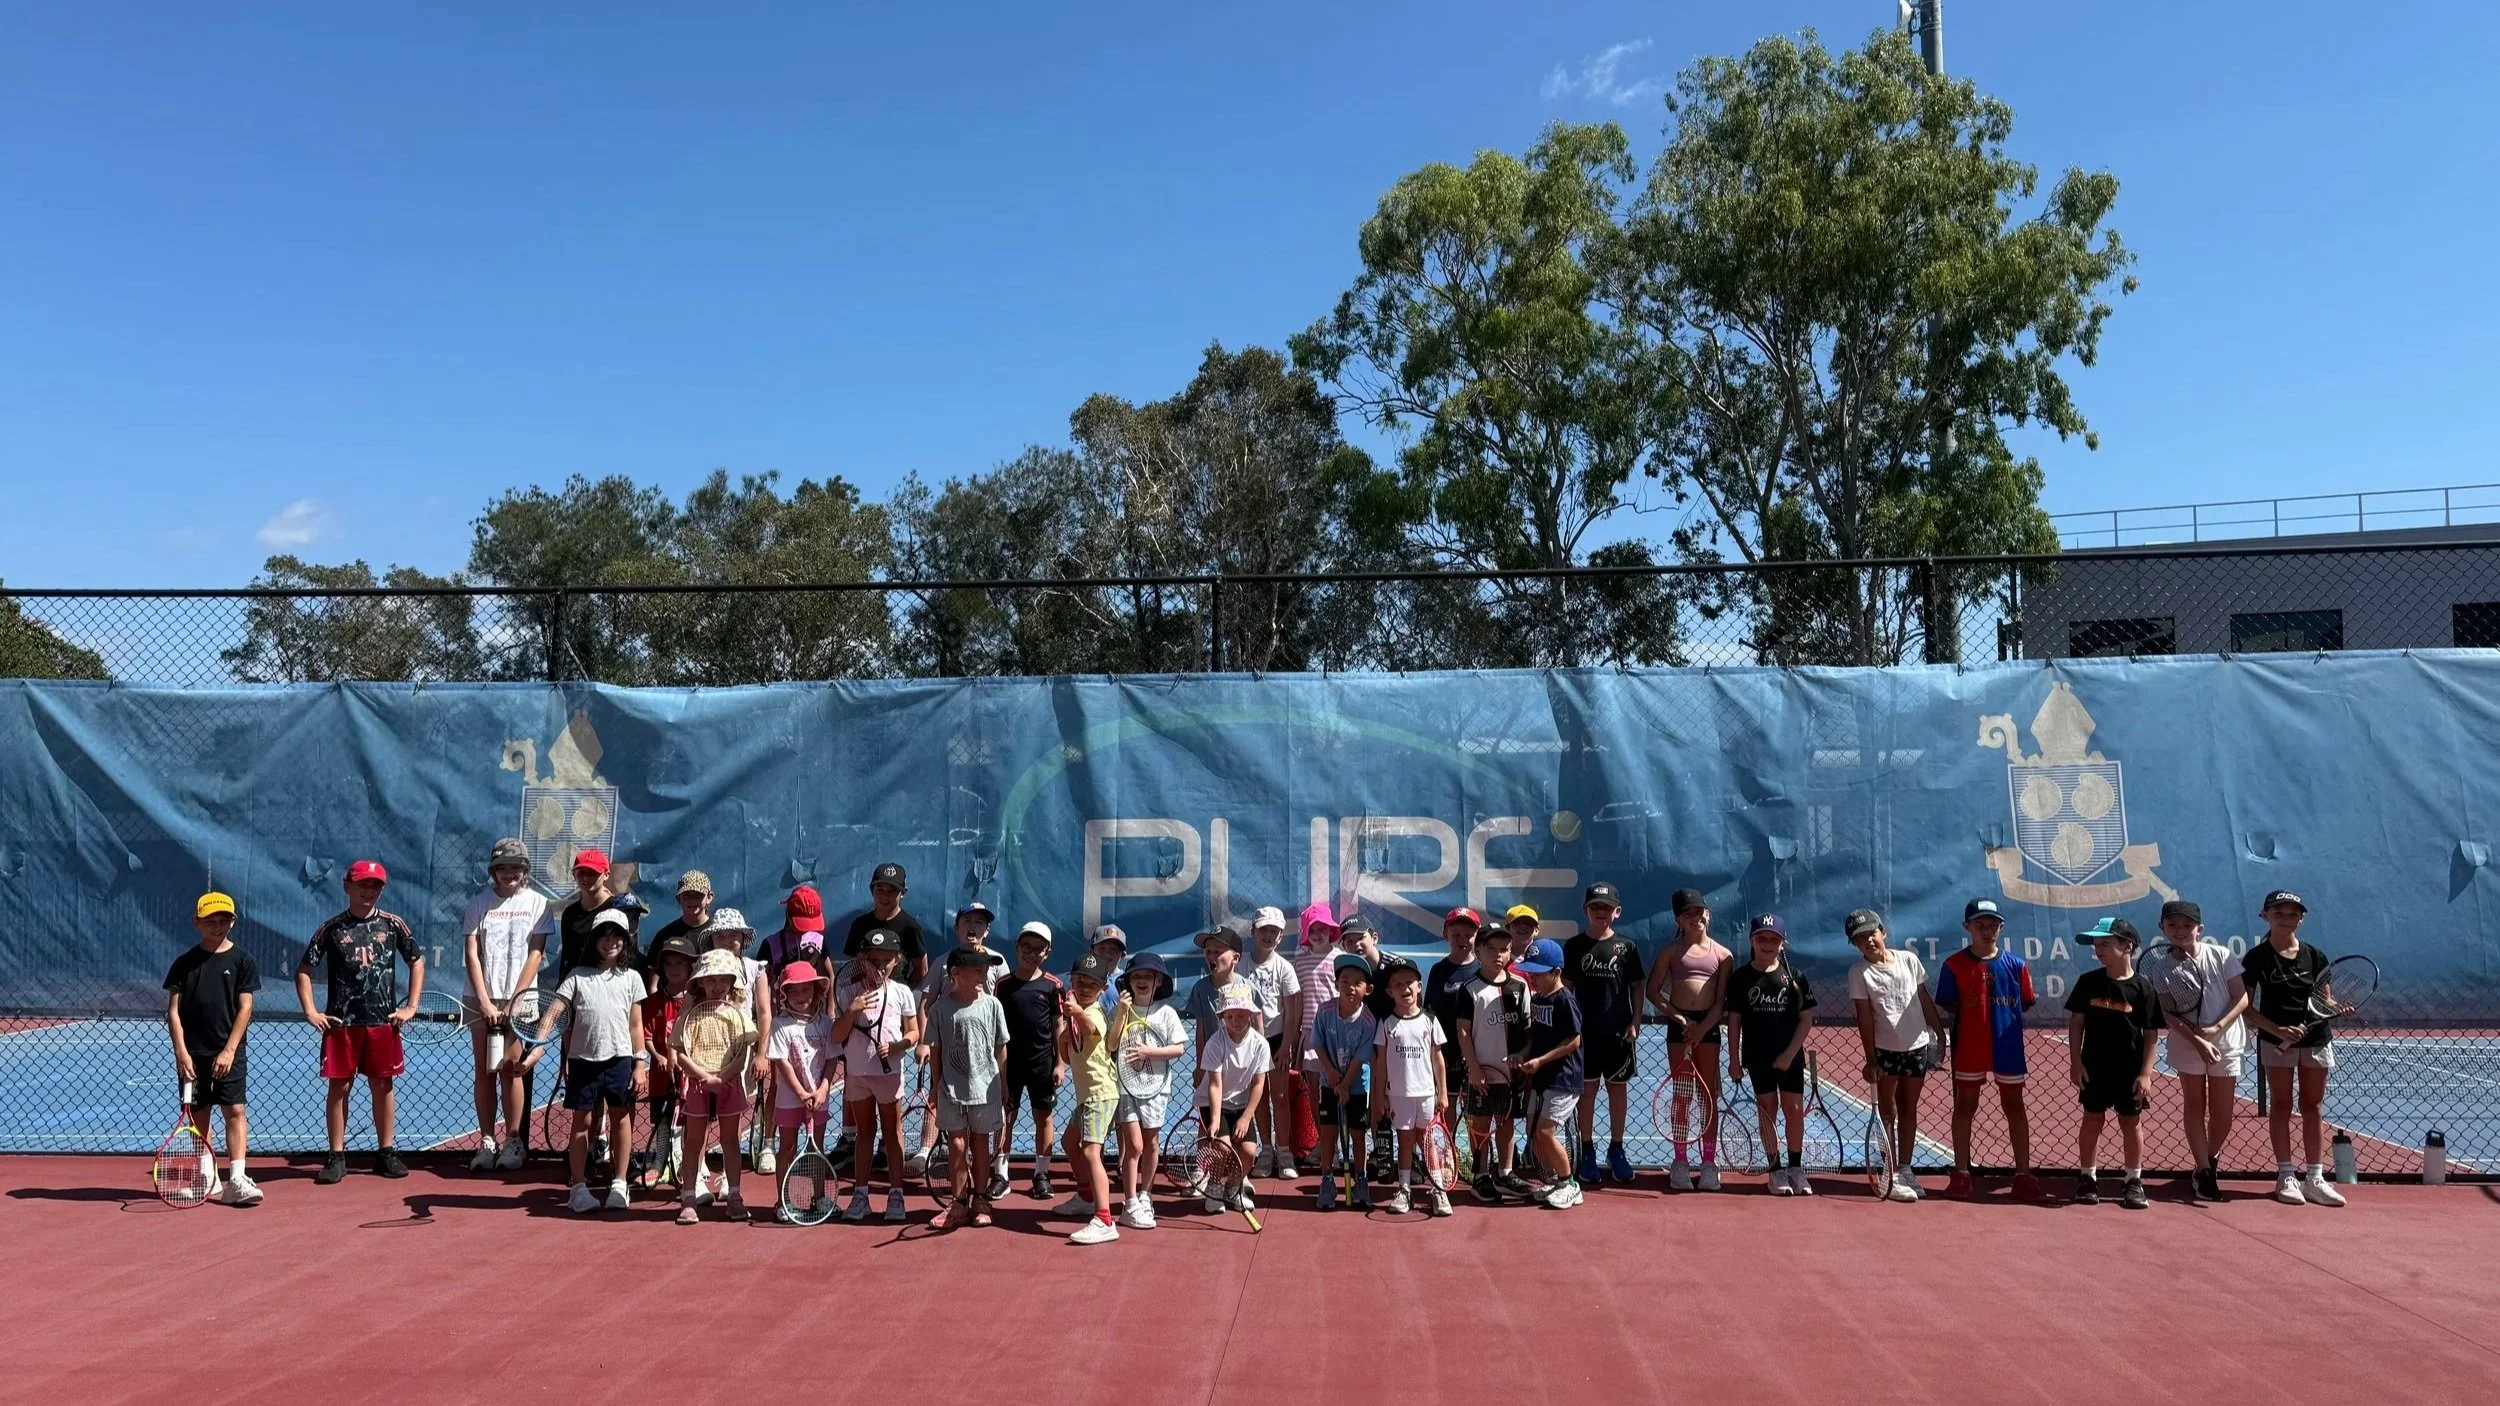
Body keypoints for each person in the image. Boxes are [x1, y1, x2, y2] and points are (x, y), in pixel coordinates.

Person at [295, 860, 424, 1185]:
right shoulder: (332, 928)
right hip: (341, 1024)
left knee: (383, 1085)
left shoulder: (394, 925)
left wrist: (410, 1006)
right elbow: (304, 971)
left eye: (375, 885)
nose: (369, 891)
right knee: (340, 1086)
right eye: (362, 884)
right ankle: (337, 1156)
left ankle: (386, 1152)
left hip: (383, 1021)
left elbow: (417, 962)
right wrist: (311, 1012)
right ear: (346, 887)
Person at [2242, 890, 2346, 1207]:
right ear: (2265, 916)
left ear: (2301, 918)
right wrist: (2275, 1029)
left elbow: (2324, 999)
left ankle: (2315, 1178)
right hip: (2276, 1042)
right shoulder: (2257, 958)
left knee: (2313, 1106)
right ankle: (2286, 1175)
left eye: (2292, 914)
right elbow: (2245, 1006)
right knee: (2282, 1105)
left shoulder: (2315, 956)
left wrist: (2337, 1007)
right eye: (2279, 913)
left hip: (2315, 1040)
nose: (2286, 919)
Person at [1936, 898, 2044, 1201]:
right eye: (1980, 925)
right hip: (1969, 1046)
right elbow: (1947, 1001)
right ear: (1967, 927)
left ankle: (2023, 1174)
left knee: (2014, 1106)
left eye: (1992, 925)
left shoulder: (2016, 965)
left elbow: (2026, 1001)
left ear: (2001, 927)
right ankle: (1961, 1174)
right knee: (1965, 1106)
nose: (1987, 931)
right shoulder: (1953, 965)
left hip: (2007, 1046)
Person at [163, 890, 260, 1205]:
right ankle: (207, 1177)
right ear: (197, 923)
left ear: (232, 922)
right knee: (199, 1115)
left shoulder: (242, 960)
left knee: (235, 1110)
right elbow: (173, 1011)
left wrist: (230, 1050)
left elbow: (245, 1008)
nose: (218, 927)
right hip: (193, 1054)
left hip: (229, 1052)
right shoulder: (185, 963)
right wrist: (181, 1052)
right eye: (211, 921)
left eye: (224, 920)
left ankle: (238, 1179)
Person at [2148, 898, 2248, 1201]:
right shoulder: (2160, 968)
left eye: (2187, 925)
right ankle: (2205, 1172)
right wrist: (2198, 1041)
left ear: (2199, 929)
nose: (2180, 930)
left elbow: (2241, 998)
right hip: (2188, 1045)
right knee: (2194, 1105)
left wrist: (2216, 1029)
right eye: (2173, 925)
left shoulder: (2221, 955)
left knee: (2223, 1114)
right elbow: (2169, 1014)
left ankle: (2209, 1157)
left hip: (2227, 1042)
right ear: (2162, 927)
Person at [553, 909, 651, 1213]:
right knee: (581, 1123)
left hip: (620, 1059)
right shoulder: (576, 976)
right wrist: (539, 1039)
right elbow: (556, 1011)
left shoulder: (632, 977)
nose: (611, 942)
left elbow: (636, 1025)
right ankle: (579, 1187)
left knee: (622, 1119)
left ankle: (619, 1184)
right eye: (604, 936)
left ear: (625, 941)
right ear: (594, 940)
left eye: (617, 936)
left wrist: (640, 1062)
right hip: (583, 1060)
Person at [460, 838, 549, 1172]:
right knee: (485, 1069)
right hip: (481, 999)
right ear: (493, 871)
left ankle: (513, 1140)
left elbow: (535, 954)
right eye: (502, 867)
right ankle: (486, 1139)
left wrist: (515, 1000)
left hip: (520, 1001)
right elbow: (472, 954)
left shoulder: (538, 905)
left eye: (515, 867)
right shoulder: (477, 905)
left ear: (524, 870)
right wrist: (484, 1000)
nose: (509, 873)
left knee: (512, 1069)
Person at [1844, 908, 1942, 1202]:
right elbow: (1864, 1018)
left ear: (1882, 932)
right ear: (1855, 945)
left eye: (1871, 934)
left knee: (1909, 1108)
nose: (1868, 942)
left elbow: (1923, 999)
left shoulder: (1909, 960)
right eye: (1860, 940)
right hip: (1886, 1051)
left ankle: (1905, 1168)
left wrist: (1938, 1032)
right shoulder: (1859, 973)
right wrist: (1870, 1058)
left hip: (1917, 1047)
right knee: (1888, 1112)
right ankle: (1888, 1168)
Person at [2066, 918, 2161, 1210]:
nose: (2099, 950)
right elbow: (2076, 1023)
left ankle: (2133, 1180)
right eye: (2096, 945)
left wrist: (2146, 1073)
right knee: (2092, 1119)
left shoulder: (2143, 988)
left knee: (2130, 1123)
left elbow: (2151, 1035)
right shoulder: (2088, 982)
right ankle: (2087, 1178)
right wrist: (2075, 1062)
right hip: (2094, 1067)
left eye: (2105, 944)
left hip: (2129, 1071)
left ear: (2127, 946)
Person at [909, 902, 1004, 1187]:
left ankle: (997, 1170)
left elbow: (1002, 1006)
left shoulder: (998, 962)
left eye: (979, 922)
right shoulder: (942, 962)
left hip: (984, 1060)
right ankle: (926, 1150)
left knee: (983, 1132)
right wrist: (925, 1043)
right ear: (957, 928)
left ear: (987, 931)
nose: (973, 927)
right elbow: (926, 1003)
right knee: (942, 1097)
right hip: (949, 1051)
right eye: (967, 921)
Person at [1645, 888, 1733, 1190]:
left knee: (1707, 1095)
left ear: (1707, 915)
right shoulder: (1670, 952)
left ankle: (1709, 1163)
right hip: (1679, 1032)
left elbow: (1721, 1002)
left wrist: (1702, 1027)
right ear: (1678, 920)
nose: (1695, 917)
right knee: (1681, 1096)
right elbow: (1653, 992)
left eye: (1699, 912)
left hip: (1707, 1030)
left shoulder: (1723, 955)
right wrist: (1681, 1019)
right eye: (1688, 914)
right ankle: (1680, 1161)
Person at [832, 927, 920, 1222]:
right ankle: (860, 1197)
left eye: (887, 960)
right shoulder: (847, 991)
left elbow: (914, 1032)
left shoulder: (902, 993)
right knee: (864, 1134)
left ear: (897, 961)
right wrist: (851, 1011)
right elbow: (836, 1037)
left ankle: (896, 1195)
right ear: (862, 960)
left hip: (889, 1076)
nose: (880, 966)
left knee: (893, 1134)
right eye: (874, 960)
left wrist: (898, 1047)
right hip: (857, 1075)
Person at [1726, 915, 1817, 1196]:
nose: (1768, 944)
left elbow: (1806, 1019)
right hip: (1757, 1056)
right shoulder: (1740, 978)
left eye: (1774, 939)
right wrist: (1733, 1059)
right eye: (1762, 939)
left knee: (1794, 1109)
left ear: (1782, 943)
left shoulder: (1794, 977)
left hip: (1790, 1057)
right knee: (1767, 1110)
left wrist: (1790, 1054)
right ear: (1752, 941)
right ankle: (1775, 1170)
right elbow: (1734, 1021)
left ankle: (1796, 1168)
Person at [1564, 882, 1645, 1185]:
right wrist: (1569, 1027)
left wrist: (1635, 1019)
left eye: (1607, 908)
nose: (1601, 912)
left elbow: (1637, 986)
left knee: (1617, 1091)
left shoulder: (1627, 947)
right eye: (1595, 907)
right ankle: (1587, 1151)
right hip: (1584, 1036)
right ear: (1586, 910)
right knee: (1587, 1093)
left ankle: (1617, 1149)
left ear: (1617, 912)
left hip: (1618, 1035)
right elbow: (1567, 988)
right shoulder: (1574, 946)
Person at [926, 946, 1010, 1229]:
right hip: (951, 1090)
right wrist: (936, 1086)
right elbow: (935, 1051)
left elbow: (1001, 1048)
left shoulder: (993, 1005)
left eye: (986, 970)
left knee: (981, 1144)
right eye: (977, 970)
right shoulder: (939, 1009)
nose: (984, 975)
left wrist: (1004, 1083)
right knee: (957, 1144)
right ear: (955, 973)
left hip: (986, 1088)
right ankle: (959, 1203)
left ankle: (981, 1199)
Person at [673, 950, 757, 1223]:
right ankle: (688, 1199)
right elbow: (681, 1055)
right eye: (711, 980)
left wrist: (722, 1079)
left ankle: (733, 1196)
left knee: (730, 1142)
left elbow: (742, 1055)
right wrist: (703, 1077)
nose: (717, 985)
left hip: (728, 1086)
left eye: (723, 979)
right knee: (694, 1143)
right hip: (698, 1087)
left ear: (732, 982)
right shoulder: (690, 1015)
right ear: (699, 983)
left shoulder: (737, 1015)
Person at [1107, 953, 1186, 1228]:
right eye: (1136, 976)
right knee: (1134, 1145)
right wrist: (1120, 1013)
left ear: (1158, 981)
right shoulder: (1120, 1010)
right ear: (1128, 980)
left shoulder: (1166, 1013)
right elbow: (1111, 1044)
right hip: (1127, 1089)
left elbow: (1179, 1048)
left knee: (1151, 1143)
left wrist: (1149, 1052)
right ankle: (1129, 1204)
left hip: (1156, 1090)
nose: (1142, 981)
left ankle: (1145, 1195)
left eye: (1147, 977)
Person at [1457, 921, 1533, 1204]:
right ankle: (1480, 1176)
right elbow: (1462, 1032)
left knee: (1507, 1123)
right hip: (1483, 1074)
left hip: (1511, 1075)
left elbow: (1528, 1030)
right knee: (1480, 1124)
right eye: (1491, 949)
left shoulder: (1521, 987)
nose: (1498, 955)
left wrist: (1523, 1057)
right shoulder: (1470, 989)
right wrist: (1475, 1068)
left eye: (1504, 949)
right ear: (1478, 951)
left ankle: (1505, 1172)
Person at [1373, 962, 1453, 1217]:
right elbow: (1381, 1064)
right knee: (1405, 1141)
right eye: (1397, 984)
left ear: (1419, 986)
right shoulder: (1385, 1023)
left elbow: (1438, 1059)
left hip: (1427, 1094)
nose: (1404, 987)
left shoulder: (1429, 1020)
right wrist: (1380, 1097)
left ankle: (1437, 1189)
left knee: (1427, 1140)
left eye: (1409, 982)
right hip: (1398, 1095)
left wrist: (1442, 1092)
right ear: (1389, 992)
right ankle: (1404, 1189)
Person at [995, 921, 1066, 1200]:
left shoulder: (1052, 986)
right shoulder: (1003, 985)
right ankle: (1001, 1175)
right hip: (1009, 1066)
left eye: (1039, 949)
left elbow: (1058, 1027)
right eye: (1027, 947)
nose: (1032, 953)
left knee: (1043, 1118)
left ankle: (1041, 1174)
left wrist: (1060, 1064)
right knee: (1004, 1119)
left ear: (1047, 953)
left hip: (1042, 1065)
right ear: (1017, 947)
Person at [1512, 938, 1584, 1209]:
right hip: (1542, 1077)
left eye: (1538, 973)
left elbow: (1574, 1041)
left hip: (1564, 1079)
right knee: (1533, 1128)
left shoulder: (1566, 1000)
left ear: (1556, 972)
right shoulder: (1540, 997)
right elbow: (1535, 1036)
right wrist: (1524, 1054)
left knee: (1545, 1132)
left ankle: (1570, 1184)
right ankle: (1553, 1180)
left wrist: (1541, 1061)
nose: (1532, 977)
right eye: (1530, 972)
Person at [762, 959, 836, 1223]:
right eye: (794, 991)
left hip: (820, 1100)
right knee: (788, 1148)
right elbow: (782, 1064)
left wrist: (823, 1089)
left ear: (816, 991)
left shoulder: (826, 1024)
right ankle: (784, 1201)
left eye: (806, 990)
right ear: (785, 994)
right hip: (789, 1101)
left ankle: (819, 1197)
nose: (801, 996)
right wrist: (802, 1093)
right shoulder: (780, 1025)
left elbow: (831, 1059)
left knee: (817, 1151)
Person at [1055, 954, 1122, 1244]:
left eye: (1091, 984)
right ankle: (1085, 1196)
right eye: (1079, 982)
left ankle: (1104, 1219)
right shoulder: (1074, 1016)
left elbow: (1092, 1029)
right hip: (1087, 1095)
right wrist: (1063, 1027)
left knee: (1091, 1152)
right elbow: (1067, 1057)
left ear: (1103, 988)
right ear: (1071, 983)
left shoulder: (1093, 1012)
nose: (1084, 988)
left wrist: (1076, 1014)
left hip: (1100, 1094)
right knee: (1069, 1142)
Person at [1311, 953, 1378, 1212]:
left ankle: (1361, 1179)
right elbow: (1316, 1044)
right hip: (1330, 1083)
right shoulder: (1325, 1011)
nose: (1350, 987)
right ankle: (1327, 1179)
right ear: (1336, 984)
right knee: (1328, 1133)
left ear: (1368, 989)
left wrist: (1346, 1084)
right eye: (1345, 981)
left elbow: (1362, 1057)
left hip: (1356, 1087)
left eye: (1357, 983)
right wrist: (1332, 1076)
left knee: (1358, 1135)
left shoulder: (1368, 1021)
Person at [1198, 987, 1272, 1216]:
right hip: (1213, 1103)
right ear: (1222, 1017)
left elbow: (1259, 1084)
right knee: (1222, 1148)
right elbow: (1214, 1084)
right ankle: (1214, 1187)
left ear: (1250, 1014)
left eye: (1240, 1015)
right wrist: (1216, 1120)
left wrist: (1246, 1117)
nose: (1235, 1021)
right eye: (1229, 1016)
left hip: (1242, 1105)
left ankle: (1233, 1187)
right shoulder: (1215, 1043)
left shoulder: (1260, 1044)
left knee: (1249, 1152)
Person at [1242, 907, 1304, 1179]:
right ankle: (1265, 1151)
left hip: (1277, 1040)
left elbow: (1291, 1013)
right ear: (1253, 931)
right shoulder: (1241, 964)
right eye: (1264, 930)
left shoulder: (1284, 968)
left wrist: (1286, 1045)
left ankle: (1284, 1152)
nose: (1268, 935)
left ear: (1280, 937)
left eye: (1274, 932)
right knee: (1259, 1096)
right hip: (1249, 1042)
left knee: (1279, 1097)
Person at [635, 931, 699, 1193]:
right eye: (669, 964)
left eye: (680, 964)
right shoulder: (654, 1002)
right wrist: (658, 1057)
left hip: (689, 1075)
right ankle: (659, 1161)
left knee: (690, 1121)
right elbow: (646, 1036)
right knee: (662, 1120)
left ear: (690, 968)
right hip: (662, 1076)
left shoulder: (695, 1001)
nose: (674, 969)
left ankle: (686, 1162)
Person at [540, 848, 646, 979]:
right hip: (578, 986)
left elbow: (630, 954)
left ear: (606, 874)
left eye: (592, 873)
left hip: (613, 983)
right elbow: (567, 959)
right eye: (581, 873)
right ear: (574, 875)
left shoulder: (620, 908)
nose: (585, 877)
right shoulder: (570, 913)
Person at [1288, 903, 1340, 1167]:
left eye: (1323, 929)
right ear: (1306, 933)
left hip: (1335, 1038)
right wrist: (1296, 1037)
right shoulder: (1300, 963)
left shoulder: (1340, 959)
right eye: (1313, 929)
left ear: (1331, 931)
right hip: (1309, 1036)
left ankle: (1338, 1146)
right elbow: (1297, 1003)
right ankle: (1323, 1143)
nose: (1318, 934)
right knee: (1314, 1096)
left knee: (1337, 1094)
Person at [843, 862, 929, 990]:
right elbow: (852, 967)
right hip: (864, 997)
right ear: (872, 891)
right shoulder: (859, 924)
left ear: (903, 893)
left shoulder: (911, 927)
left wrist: (901, 994)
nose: (884, 896)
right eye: (880, 890)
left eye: (892, 891)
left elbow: (922, 970)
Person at [1183, 924, 1256, 1064]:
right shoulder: (1201, 989)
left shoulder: (1248, 988)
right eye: (1208, 951)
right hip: (1213, 1060)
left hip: (1242, 1060)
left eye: (1217, 952)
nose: (1211, 956)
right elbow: (1201, 1031)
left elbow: (1257, 1027)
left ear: (1235, 958)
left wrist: (1255, 1061)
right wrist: (1201, 1065)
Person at [649, 870, 718, 960]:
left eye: (698, 895)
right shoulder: (665, 935)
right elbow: (652, 969)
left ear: (709, 897)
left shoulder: (718, 934)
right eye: (687, 895)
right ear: (678, 899)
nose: (692, 900)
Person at [1088, 925, 1130, 1019]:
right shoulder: (1083, 980)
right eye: (1102, 949)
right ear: (1091, 951)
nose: (1107, 953)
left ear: (1123, 954)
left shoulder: (1129, 981)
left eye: (1113, 949)